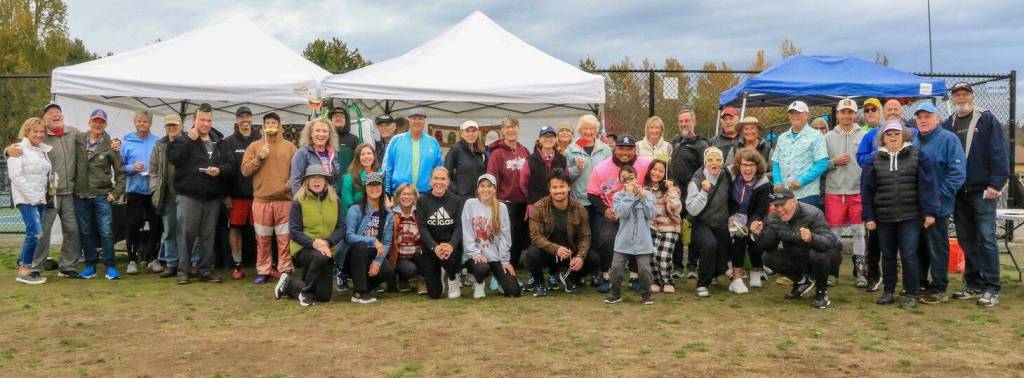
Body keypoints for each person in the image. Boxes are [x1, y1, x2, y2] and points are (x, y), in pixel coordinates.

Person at [5, 103, 97, 279]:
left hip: (69, 193)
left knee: (72, 230)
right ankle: (35, 266)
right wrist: (7, 151)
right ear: (44, 120)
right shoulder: (39, 136)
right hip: (48, 194)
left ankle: (67, 266)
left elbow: (94, 137)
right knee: (42, 231)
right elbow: (21, 148)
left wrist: (117, 142)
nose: (56, 115)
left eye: (58, 112)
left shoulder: (73, 132)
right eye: (51, 113)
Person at [942, 82, 1009, 307]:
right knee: (966, 239)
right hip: (959, 192)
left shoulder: (987, 120)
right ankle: (973, 283)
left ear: (972, 96)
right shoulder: (948, 124)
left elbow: (999, 152)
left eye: (965, 94)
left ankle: (992, 287)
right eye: (957, 95)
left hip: (983, 191)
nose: (961, 98)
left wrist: (996, 183)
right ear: (953, 99)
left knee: (987, 239)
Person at [862, 121, 940, 309]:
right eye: (888, 134)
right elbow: (867, 190)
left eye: (896, 133)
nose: (893, 137)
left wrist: (929, 212)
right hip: (884, 217)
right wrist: (869, 216)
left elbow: (928, 185)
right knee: (887, 255)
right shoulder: (874, 160)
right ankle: (888, 291)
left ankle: (911, 293)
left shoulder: (918, 156)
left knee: (909, 255)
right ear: (883, 138)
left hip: (910, 216)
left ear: (903, 135)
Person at [856, 98, 915, 292]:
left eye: (895, 109)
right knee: (881, 249)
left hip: (908, 210)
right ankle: (880, 282)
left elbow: (921, 176)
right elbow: (862, 164)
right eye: (889, 109)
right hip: (882, 209)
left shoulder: (914, 144)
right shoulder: (873, 142)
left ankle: (912, 288)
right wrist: (869, 215)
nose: (892, 112)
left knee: (909, 253)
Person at [168, 103, 229, 284]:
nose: (205, 123)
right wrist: (188, 140)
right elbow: (174, 159)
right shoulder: (183, 139)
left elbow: (230, 164)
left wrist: (219, 170)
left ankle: (205, 270)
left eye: (209, 120)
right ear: (194, 120)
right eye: (202, 119)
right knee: (186, 234)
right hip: (189, 195)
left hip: (211, 197)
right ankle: (183, 271)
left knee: (208, 236)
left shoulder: (219, 140)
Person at [750, 189, 842, 309]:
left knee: (817, 254)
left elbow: (829, 241)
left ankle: (821, 293)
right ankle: (802, 280)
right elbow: (769, 246)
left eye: (782, 204)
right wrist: (759, 234)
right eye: (776, 205)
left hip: (827, 257)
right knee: (767, 257)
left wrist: (812, 238)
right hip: (798, 257)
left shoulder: (813, 214)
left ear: (793, 201)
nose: (779, 209)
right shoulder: (773, 217)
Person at [587, 134, 652, 292]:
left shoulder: (646, 164)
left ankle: (635, 276)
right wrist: (604, 211)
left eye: (629, 149)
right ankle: (607, 276)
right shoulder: (601, 168)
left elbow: (657, 180)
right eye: (621, 148)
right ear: (614, 149)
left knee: (637, 237)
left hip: (637, 213)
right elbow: (592, 194)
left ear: (634, 150)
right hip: (613, 212)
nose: (625, 152)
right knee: (607, 238)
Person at [914, 103, 965, 304]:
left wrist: (937, 198)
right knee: (918, 247)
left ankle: (939, 287)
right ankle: (920, 283)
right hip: (916, 206)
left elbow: (957, 174)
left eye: (927, 116)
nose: (923, 120)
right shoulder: (915, 141)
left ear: (937, 118)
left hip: (938, 207)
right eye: (919, 117)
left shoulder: (949, 140)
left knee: (936, 247)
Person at [275, 165, 346, 307]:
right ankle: (306, 294)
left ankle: (288, 284)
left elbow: (341, 227)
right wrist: (314, 243)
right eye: (312, 178)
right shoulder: (298, 201)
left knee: (324, 297)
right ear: (307, 181)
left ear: (326, 181)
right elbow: (294, 231)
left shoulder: (335, 200)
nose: (316, 181)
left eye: (320, 177)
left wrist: (327, 242)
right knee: (321, 256)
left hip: (327, 248)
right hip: (302, 247)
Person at [241, 112, 298, 284]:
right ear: (263, 126)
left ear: (280, 126)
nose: (271, 125)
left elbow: (297, 171)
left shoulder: (290, 147)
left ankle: (285, 270)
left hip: (284, 200)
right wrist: (259, 158)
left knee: (284, 239)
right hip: (261, 200)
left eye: (274, 122)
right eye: (268, 123)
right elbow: (244, 171)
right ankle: (264, 270)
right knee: (263, 239)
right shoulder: (254, 146)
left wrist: (290, 182)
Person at [74, 109, 127, 280]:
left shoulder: (111, 145)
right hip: (81, 195)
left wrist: (116, 193)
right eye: (95, 121)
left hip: (102, 196)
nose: (97, 124)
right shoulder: (78, 140)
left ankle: (110, 267)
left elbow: (121, 172)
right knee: (86, 231)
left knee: (106, 232)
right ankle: (90, 266)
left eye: (101, 122)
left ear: (105, 124)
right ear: (89, 122)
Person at [526, 168, 595, 296]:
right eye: (554, 187)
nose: (558, 191)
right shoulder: (539, 207)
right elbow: (535, 236)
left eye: (562, 186)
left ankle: (569, 278)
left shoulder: (580, 209)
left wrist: (580, 256)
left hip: (569, 253)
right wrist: (556, 249)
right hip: (548, 252)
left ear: (569, 187)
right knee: (531, 254)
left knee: (594, 258)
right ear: (549, 189)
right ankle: (539, 283)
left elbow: (585, 237)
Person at [564, 115, 612, 287]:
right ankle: (581, 272)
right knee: (582, 237)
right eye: (585, 128)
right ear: (580, 130)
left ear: (596, 130)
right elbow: (565, 177)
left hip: (599, 201)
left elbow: (611, 173)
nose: (588, 131)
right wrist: (577, 168)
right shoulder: (571, 149)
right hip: (579, 200)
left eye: (591, 128)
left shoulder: (605, 149)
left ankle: (598, 272)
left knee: (599, 237)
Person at [823, 98, 866, 287]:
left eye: (850, 112)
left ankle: (861, 272)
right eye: (843, 112)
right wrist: (833, 162)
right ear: (837, 114)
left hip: (857, 190)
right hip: (834, 191)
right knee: (834, 233)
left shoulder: (864, 135)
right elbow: (818, 165)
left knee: (859, 231)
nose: (847, 115)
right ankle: (833, 271)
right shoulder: (827, 137)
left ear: (855, 114)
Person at [338, 171, 395, 303]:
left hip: (372, 255)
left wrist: (378, 261)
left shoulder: (388, 214)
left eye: (378, 185)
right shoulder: (356, 209)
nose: (374, 189)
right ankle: (363, 292)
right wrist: (372, 240)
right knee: (361, 247)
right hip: (353, 255)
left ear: (382, 187)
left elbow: (386, 242)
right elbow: (348, 236)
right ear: (365, 188)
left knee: (386, 271)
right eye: (371, 185)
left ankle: (358, 291)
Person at [461, 174, 521, 298]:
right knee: (482, 268)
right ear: (477, 188)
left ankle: (500, 281)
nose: (486, 189)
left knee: (514, 291)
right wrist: (475, 253)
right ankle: (479, 283)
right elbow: (466, 232)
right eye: (482, 186)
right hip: (475, 256)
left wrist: (504, 260)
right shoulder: (470, 204)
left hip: (495, 257)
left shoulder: (501, 207)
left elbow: (505, 236)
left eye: (489, 186)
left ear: (494, 189)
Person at [604, 165, 657, 305]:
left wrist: (643, 197)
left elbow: (651, 214)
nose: (628, 181)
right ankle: (615, 294)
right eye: (624, 178)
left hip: (643, 241)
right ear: (620, 180)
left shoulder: (648, 194)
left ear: (637, 178)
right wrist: (629, 195)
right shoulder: (617, 196)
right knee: (615, 269)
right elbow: (621, 214)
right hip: (623, 240)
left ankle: (647, 295)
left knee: (645, 269)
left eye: (631, 178)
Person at [219, 106, 261, 279]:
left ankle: (263, 264)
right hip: (236, 195)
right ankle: (237, 264)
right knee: (235, 229)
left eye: (248, 116)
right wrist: (225, 195)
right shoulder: (228, 142)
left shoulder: (261, 139)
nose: (245, 120)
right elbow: (224, 170)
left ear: (252, 118)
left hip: (259, 194)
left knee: (261, 231)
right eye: (241, 117)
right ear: (236, 120)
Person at [685, 147, 732, 298]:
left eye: (718, 160)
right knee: (709, 244)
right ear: (705, 162)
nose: (714, 163)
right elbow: (692, 210)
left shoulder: (727, 175)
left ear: (722, 162)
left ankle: (714, 273)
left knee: (723, 251)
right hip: (701, 222)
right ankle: (702, 284)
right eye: (710, 160)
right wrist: (704, 192)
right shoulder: (696, 181)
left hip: (721, 222)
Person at [121, 110, 163, 275]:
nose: (141, 124)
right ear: (134, 122)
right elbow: (119, 168)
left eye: (145, 121)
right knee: (132, 225)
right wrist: (132, 168)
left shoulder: (157, 142)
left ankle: (153, 259)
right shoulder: (127, 141)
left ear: (150, 123)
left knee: (155, 225)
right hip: (135, 190)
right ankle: (132, 260)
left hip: (153, 190)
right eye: (139, 121)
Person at [10, 118, 52, 284]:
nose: (39, 134)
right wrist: (33, 197)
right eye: (35, 131)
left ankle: (25, 266)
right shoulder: (18, 149)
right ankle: (24, 271)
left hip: (40, 198)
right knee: (34, 232)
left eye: (42, 131)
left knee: (36, 233)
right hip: (27, 199)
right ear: (27, 131)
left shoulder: (41, 150)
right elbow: (16, 176)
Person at [486, 116, 531, 271]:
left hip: (524, 202)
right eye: (507, 127)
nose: (511, 130)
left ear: (518, 129)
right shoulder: (497, 153)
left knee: (519, 238)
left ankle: (515, 267)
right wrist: (494, 203)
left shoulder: (524, 150)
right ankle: (503, 268)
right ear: (502, 131)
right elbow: (492, 179)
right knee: (506, 237)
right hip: (506, 203)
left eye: (514, 127)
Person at [670, 108, 709, 279]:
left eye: (686, 121)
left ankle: (693, 266)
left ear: (694, 122)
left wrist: (696, 187)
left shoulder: (702, 144)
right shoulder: (676, 141)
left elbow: (705, 170)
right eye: (681, 122)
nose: (683, 124)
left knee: (693, 228)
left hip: (693, 193)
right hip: (677, 193)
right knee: (676, 227)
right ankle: (677, 265)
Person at [726, 147, 772, 293]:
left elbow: (761, 209)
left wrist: (754, 222)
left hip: (753, 216)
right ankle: (736, 278)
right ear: (739, 165)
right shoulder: (729, 175)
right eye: (744, 165)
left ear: (757, 167)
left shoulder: (763, 182)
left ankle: (756, 271)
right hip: (732, 216)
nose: (748, 169)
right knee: (740, 236)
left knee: (755, 238)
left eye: (751, 165)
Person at [415, 167, 466, 299]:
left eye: (443, 179)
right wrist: (434, 247)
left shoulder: (457, 200)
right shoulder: (422, 200)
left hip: (450, 247)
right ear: (430, 181)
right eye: (436, 178)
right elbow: (422, 229)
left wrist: (451, 245)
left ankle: (452, 277)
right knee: (434, 294)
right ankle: (439, 274)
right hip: (431, 248)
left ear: (448, 182)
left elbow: (459, 228)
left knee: (449, 257)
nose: (439, 182)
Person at [772, 101, 829, 206]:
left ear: (806, 115)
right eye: (791, 113)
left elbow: (822, 164)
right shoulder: (782, 137)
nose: (794, 116)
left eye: (798, 113)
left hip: (807, 194)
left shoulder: (816, 136)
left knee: (804, 222)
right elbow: (776, 163)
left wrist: (801, 180)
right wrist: (777, 181)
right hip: (785, 194)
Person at [149, 114, 183, 278]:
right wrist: (155, 188)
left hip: (185, 196)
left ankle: (186, 264)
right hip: (166, 195)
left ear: (181, 126)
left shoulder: (188, 143)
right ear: (165, 127)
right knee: (169, 232)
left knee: (186, 232)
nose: (172, 128)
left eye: (174, 125)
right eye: (169, 125)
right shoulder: (159, 145)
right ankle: (171, 264)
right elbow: (153, 169)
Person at [382, 108, 443, 193]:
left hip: (425, 194)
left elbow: (439, 169)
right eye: (414, 118)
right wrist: (387, 191)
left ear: (424, 121)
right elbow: (389, 167)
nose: (417, 121)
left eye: (420, 119)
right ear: (409, 121)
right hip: (399, 192)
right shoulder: (396, 140)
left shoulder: (433, 143)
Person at [645, 159, 682, 293]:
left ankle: (667, 281)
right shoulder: (645, 189)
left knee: (663, 256)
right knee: (652, 255)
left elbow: (675, 209)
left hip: (670, 227)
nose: (657, 173)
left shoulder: (673, 190)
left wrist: (671, 190)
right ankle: (656, 280)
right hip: (652, 226)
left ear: (666, 174)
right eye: (654, 169)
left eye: (661, 171)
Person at [388, 183, 424, 293]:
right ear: (398, 197)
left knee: (425, 255)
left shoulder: (420, 213)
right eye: (403, 194)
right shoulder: (391, 213)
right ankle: (402, 278)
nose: (406, 197)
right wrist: (388, 209)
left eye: (409, 194)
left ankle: (422, 281)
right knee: (410, 270)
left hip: (416, 252)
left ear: (414, 197)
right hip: (400, 255)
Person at [289, 118, 341, 194]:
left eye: (325, 131)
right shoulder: (302, 153)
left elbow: (336, 180)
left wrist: (333, 198)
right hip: (309, 201)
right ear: (310, 134)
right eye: (317, 130)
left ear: (329, 135)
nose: (321, 134)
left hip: (329, 201)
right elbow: (295, 181)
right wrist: (300, 202)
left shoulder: (333, 153)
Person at [522, 126, 568, 207]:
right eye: (545, 136)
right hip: (535, 205)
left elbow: (566, 181)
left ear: (555, 139)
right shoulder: (530, 160)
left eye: (551, 136)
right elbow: (523, 183)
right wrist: (531, 197)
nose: (548, 139)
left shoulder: (562, 159)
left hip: (557, 205)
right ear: (540, 140)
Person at [444, 120, 486, 198]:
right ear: (462, 134)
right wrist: (456, 191)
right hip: (461, 198)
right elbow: (446, 173)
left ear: (477, 133)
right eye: (467, 131)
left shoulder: (482, 152)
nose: (471, 134)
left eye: (474, 131)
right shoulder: (455, 149)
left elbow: (487, 174)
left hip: (480, 197)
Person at [329, 105, 361, 175]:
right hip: (328, 182)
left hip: (347, 182)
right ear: (330, 120)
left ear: (346, 121)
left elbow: (360, 162)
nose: (338, 118)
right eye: (335, 116)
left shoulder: (354, 140)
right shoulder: (325, 138)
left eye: (341, 116)